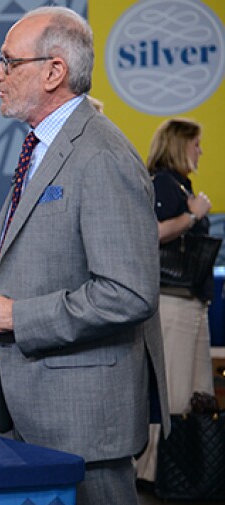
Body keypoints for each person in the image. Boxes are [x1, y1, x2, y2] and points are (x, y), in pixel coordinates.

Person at [0, 7, 168, 505]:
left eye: (7, 62)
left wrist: (16, 314)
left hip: (84, 422)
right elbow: (50, 258)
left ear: (53, 71)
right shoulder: (46, 148)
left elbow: (130, 292)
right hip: (42, 411)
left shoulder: (101, 155)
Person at [135, 118, 214, 484]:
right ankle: (155, 472)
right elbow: (150, 233)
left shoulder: (182, 185)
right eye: (195, 144)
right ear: (180, 144)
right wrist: (192, 215)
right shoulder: (164, 184)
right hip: (171, 301)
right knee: (174, 391)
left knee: (194, 389)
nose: (200, 151)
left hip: (191, 301)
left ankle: (183, 469)